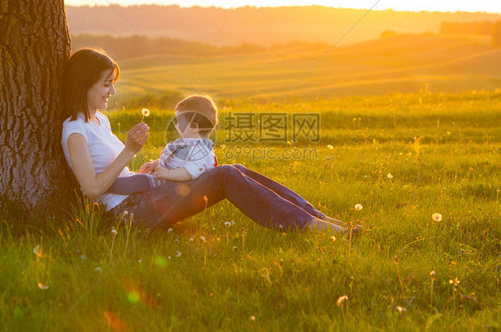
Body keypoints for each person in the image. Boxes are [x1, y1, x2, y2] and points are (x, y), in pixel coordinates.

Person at [61, 48, 349, 233]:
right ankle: (310, 227)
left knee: (233, 168)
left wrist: (141, 169)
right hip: (126, 218)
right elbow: (92, 188)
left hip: (141, 197)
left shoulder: (100, 121)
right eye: (105, 84)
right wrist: (129, 151)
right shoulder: (75, 130)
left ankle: (317, 217)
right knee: (224, 175)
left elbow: (113, 174)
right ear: (85, 84)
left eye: (113, 83)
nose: (112, 91)